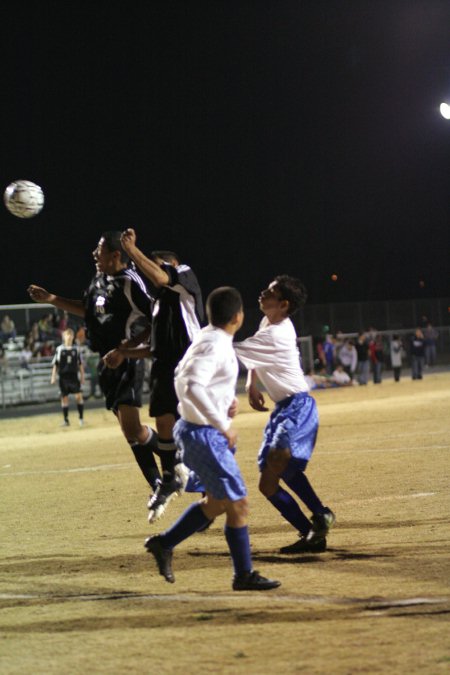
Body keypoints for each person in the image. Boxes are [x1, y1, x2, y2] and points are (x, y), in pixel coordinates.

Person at [145, 286, 280, 591]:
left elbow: (182, 375)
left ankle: (164, 544)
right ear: (239, 317)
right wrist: (221, 423)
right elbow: (191, 385)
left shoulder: (206, 337)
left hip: (199, 431)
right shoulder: (216, 345)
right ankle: (243, 575)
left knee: (218, 502)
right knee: (239, 504)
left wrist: (222, 403)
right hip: (203, 434)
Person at [28, 231, 162, 495]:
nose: (93, 254)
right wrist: (51, 299)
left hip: (126, 362)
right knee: (130, 432)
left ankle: (173, 461)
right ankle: (158, 483)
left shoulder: (129, 281)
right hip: (106, 362)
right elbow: (88, 311)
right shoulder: (98, 280)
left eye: (98, 250)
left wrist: (126, 350)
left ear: (115, 255)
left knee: (133, 428)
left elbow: (155, 317)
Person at [234, 275, 335, 555]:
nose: (262, 292)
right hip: (282, 409)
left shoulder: (277, 333)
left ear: (283, 304)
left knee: (279, 462)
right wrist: (251, 383)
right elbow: (254, 353)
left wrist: (201, 344)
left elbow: (238, 350)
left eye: (270, 291)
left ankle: (320, 514)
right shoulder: (268, 323)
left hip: (298, 407)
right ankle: (311, 533)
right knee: (268, 483)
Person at [117, 229, 204, 523]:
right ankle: (169, 477)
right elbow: (155, 346)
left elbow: (159, 276)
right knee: (164, 423)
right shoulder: (158, 304)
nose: (151, 269)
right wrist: (125, 353)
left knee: (192, 431)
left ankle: (208, 489)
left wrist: (132, 250)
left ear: (173, 263)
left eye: (158, 264)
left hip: (189, 363)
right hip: (165, 366)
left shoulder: (185, 278)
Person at [51, 328, 85, 426]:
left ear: (73, 337)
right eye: (67, 335)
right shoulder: (59, 349)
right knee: (64, 398)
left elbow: (80, 364)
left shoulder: (76, 349)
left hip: (74, 377)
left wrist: (82, 377)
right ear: (63, 337)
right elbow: (55, 364)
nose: (69, 336)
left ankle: (81, 419)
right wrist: (53, 376)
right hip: (63, 377)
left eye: (71, 335)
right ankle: (66, 420)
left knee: (78, 396)